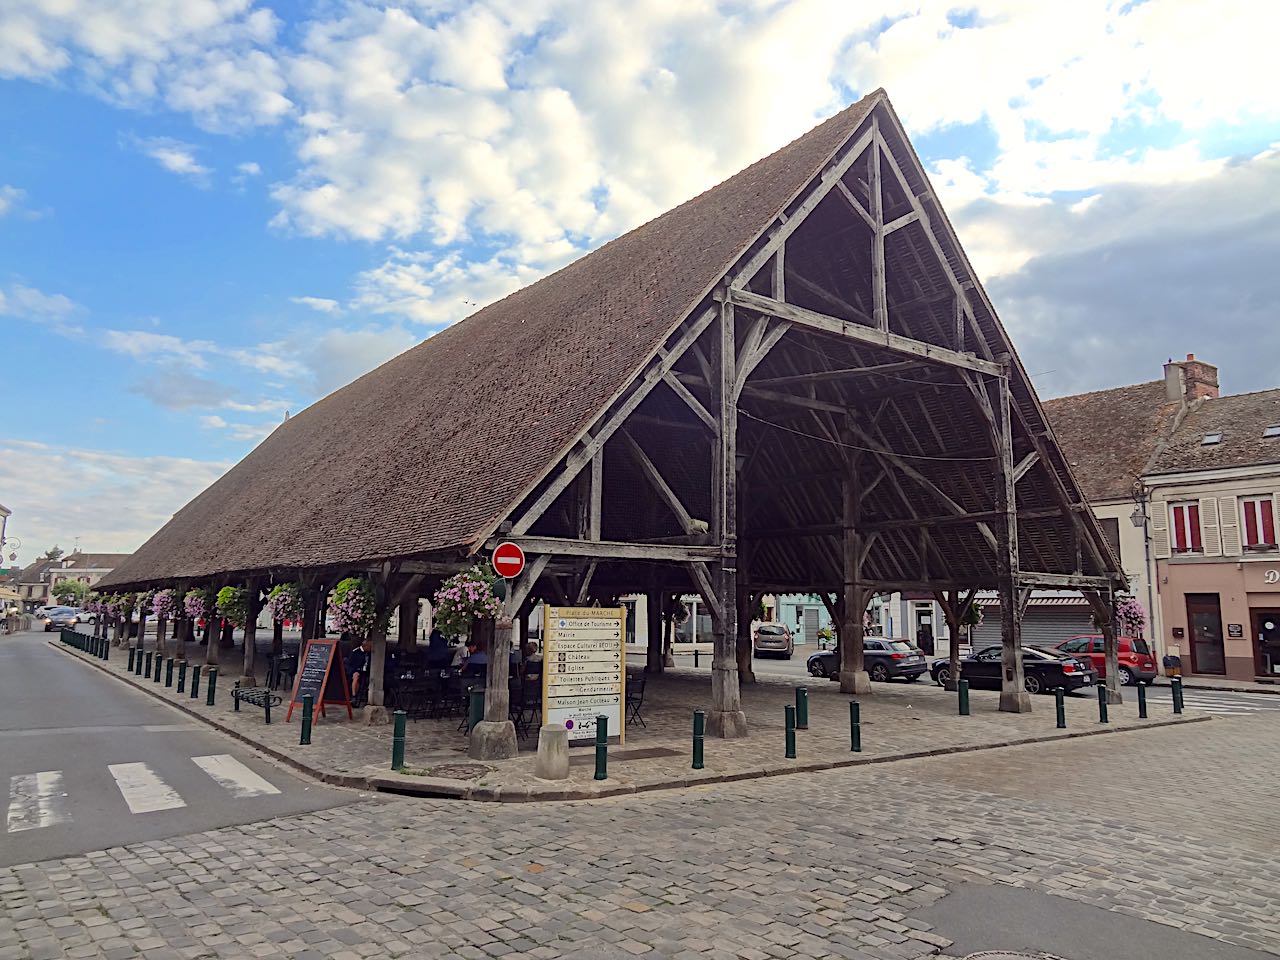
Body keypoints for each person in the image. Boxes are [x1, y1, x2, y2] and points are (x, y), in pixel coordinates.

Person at [346, 637, 373, 702]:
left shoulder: (369, 654)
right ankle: (354, 696)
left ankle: (363, 695)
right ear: (366, 646)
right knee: (356, 677)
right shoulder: (355, 652)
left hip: (365, 671)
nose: (371, 648)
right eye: (370, 647)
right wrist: (354, 671)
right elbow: (349, 664)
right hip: (355, 670)